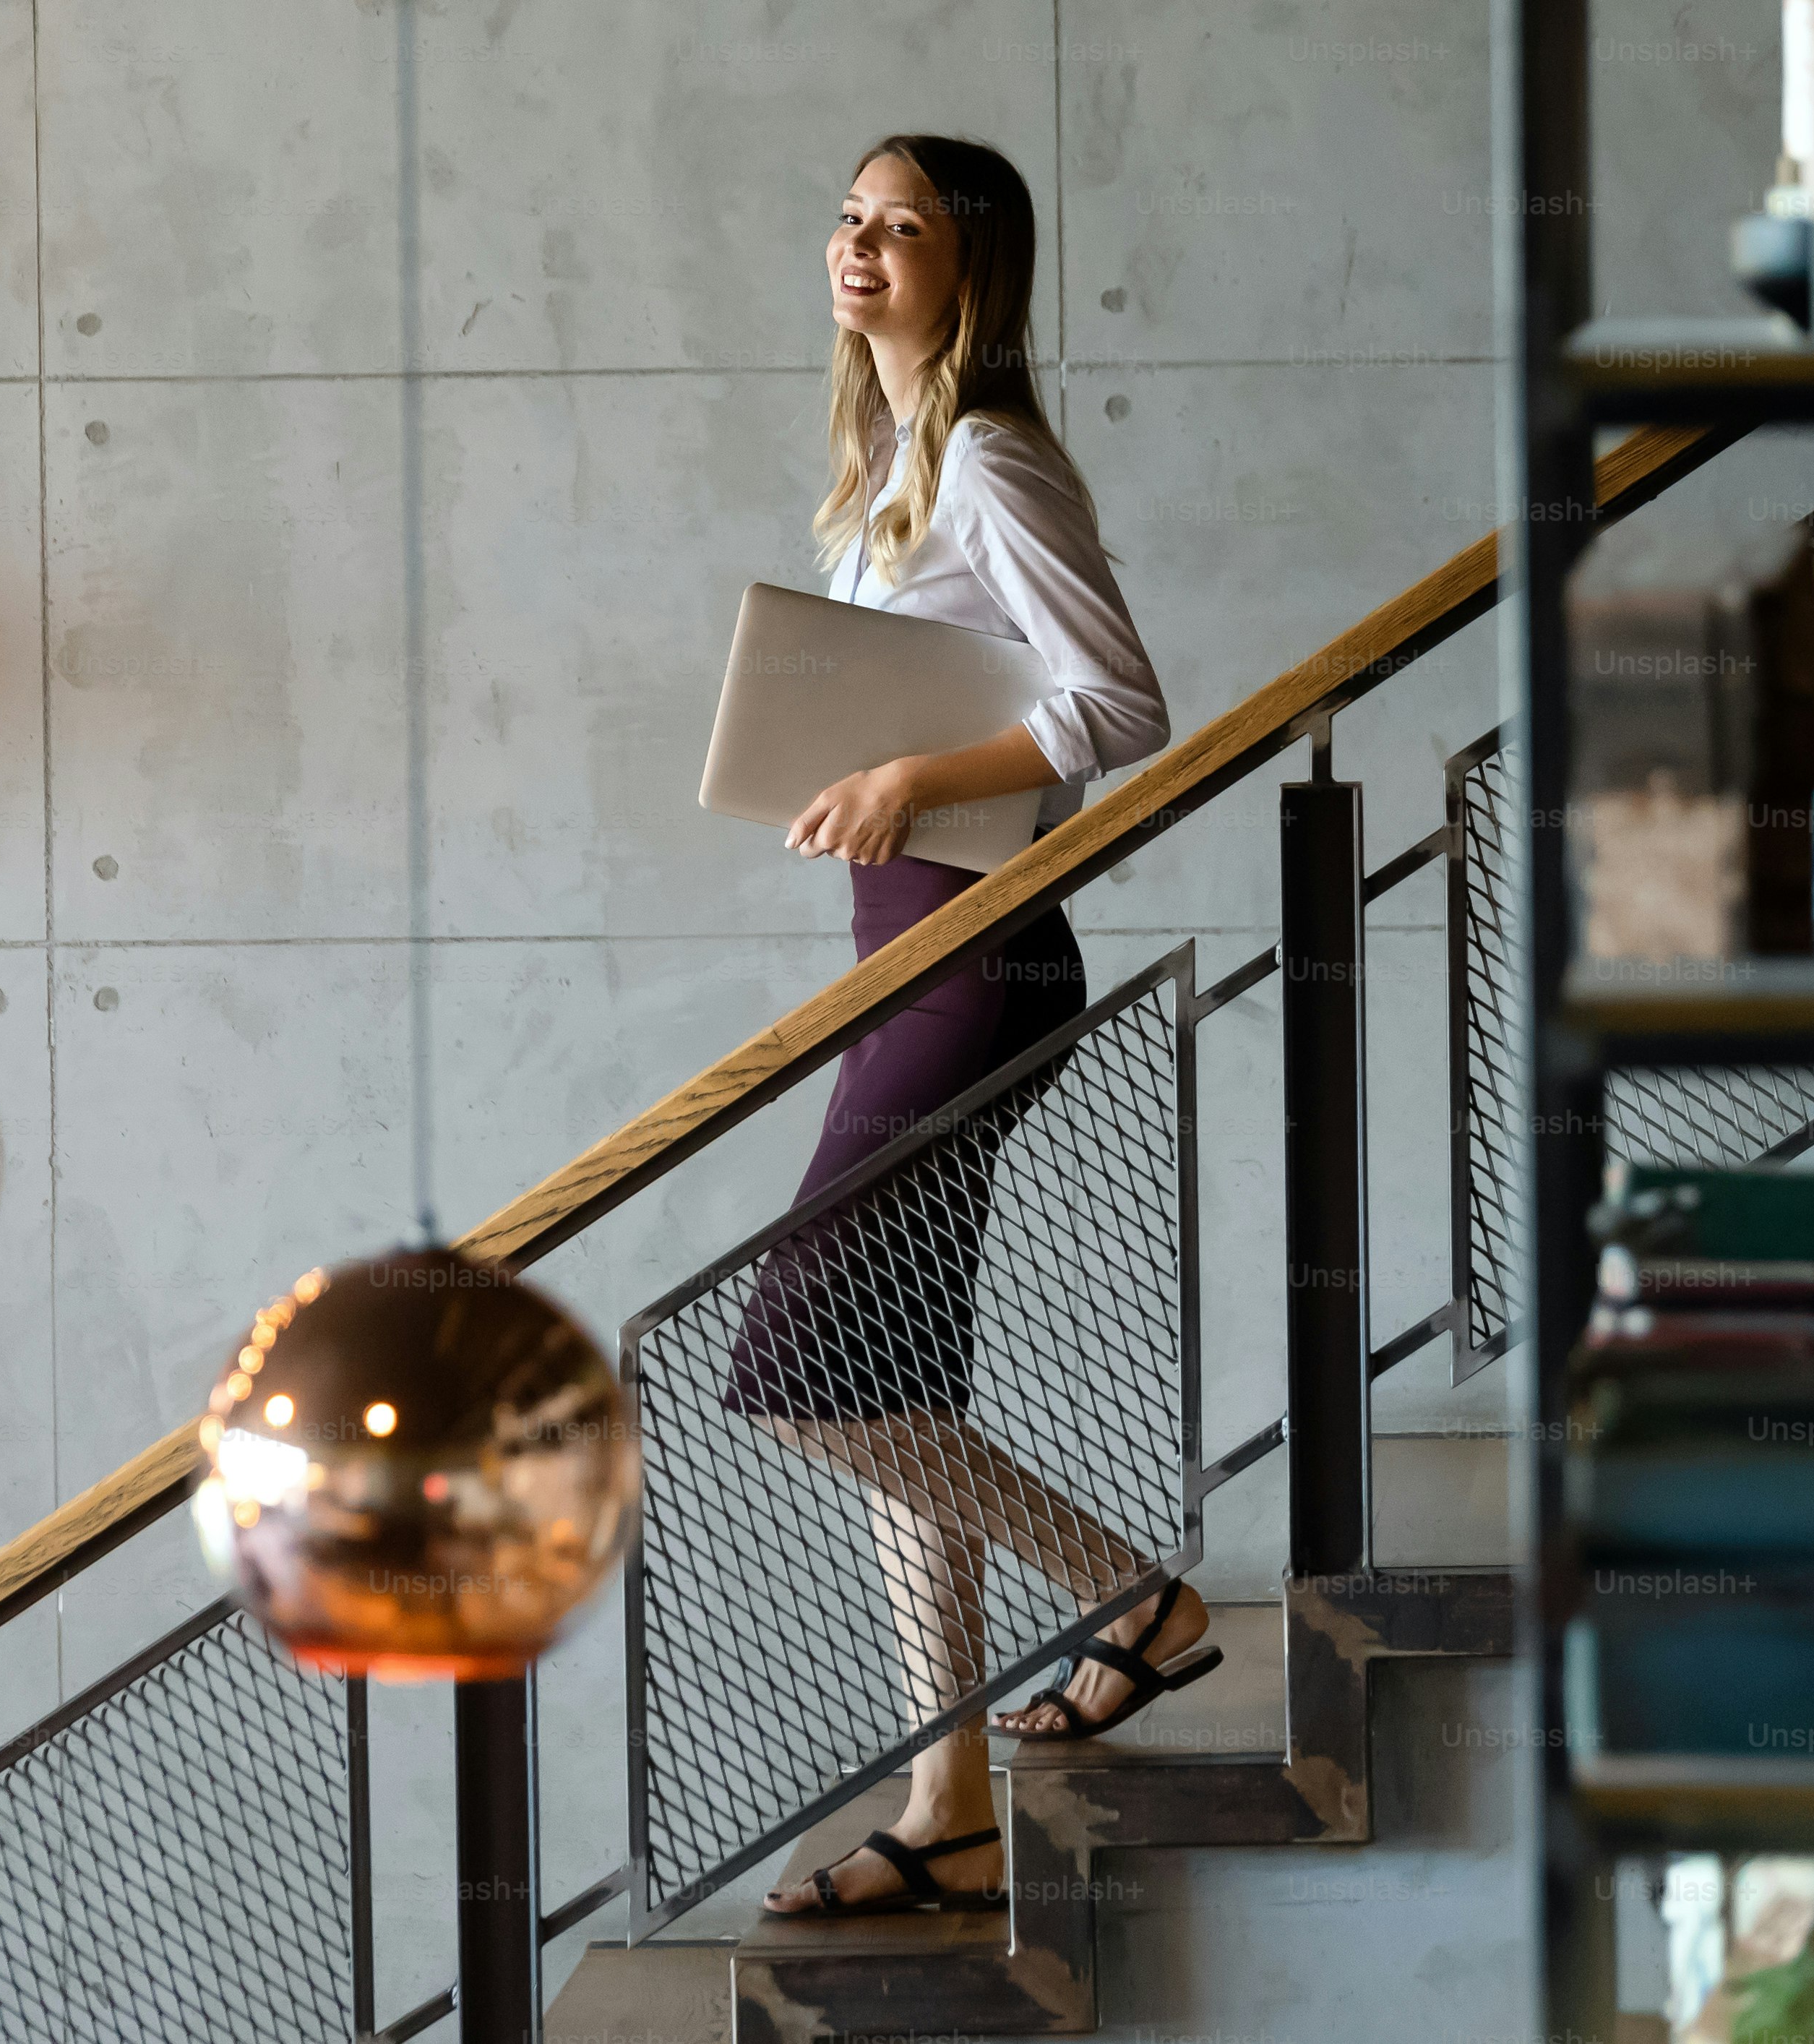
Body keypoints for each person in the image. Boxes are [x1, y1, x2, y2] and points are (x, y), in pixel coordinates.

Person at [726, 133, 1213, 1920]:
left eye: (901, 227)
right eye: (846, 217)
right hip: (907, 953)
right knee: (892, 1379)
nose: (858, 248)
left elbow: (1121, 699)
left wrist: (916, 773)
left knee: (794, 1367)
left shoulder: (991, 457)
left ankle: (1135, 1600)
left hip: (974, 965)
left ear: (970, 268)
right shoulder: (886, 473)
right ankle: (949, 1799)